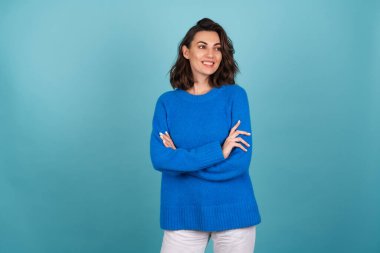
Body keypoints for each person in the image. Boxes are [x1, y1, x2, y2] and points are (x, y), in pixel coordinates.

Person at [150, 17, 261, 253]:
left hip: (233, 213)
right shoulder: (167, 103)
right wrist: (218, 152)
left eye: (217, 48)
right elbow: (160, 159)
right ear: (186, 51)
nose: (211, 54)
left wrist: (180, 160)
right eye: (202, 46)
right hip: (182, 213)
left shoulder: (235, 96)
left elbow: (239, 163)